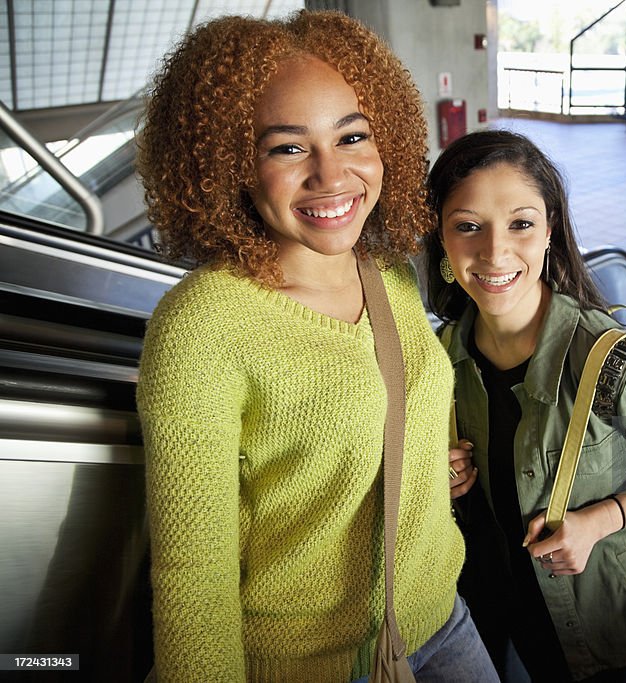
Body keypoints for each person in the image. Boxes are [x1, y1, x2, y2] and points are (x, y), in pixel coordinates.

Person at [136, 12, 497, 682]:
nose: (332, 175)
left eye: (352, 136)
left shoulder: (386, 270)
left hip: (442, 620)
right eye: (287, 148)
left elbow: (375, 406)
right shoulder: (201, 327)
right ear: (231, 165)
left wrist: (423, 458)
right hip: (310, 666)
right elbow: (193, 586)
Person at [426, 130, 626, 683]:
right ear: (442, 240)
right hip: (492, 598)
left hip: (596, 612)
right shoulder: (440, 357)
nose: (495, 252)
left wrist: (603, 518)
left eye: (520, 223)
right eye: (468, 226)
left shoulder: (613, 363)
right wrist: (441, 475)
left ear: (550, 232)